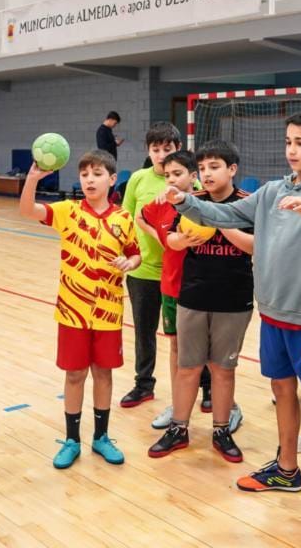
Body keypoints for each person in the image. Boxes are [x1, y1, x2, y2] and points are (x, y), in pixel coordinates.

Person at [183, 110, 301, 535]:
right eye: (289, 142)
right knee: (281, 389)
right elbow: (224, 216)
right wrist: (184, 201)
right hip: (272, 313)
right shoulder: (272, 190)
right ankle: (287, 468)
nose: (293, 150)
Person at [19, 150, 140, 469]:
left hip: (109, 311)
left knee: (103, 372)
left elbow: (135, 253)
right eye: (85, 174)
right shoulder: (68, 211)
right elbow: (28, 210)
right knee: (75, 374)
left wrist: (130, 262)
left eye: (97, 174)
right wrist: (32, 179)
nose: (89, 179)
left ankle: (101, 436)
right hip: (72, 311)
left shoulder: (123, 218)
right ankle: (72, 440)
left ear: (112, 180)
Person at [148, 140, 253, 465]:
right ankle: (179, 428)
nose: (207, 174)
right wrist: (178, 239)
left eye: (214, 167)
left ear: (232, 170)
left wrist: (218, 220)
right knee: (187, 367)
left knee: (223, 369)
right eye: (203, 168)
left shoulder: (248, 204)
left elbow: (255, 247)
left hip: (234, 300)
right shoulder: (190, 202)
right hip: (192, 295)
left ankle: (221, 429)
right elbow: (173, 239)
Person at [120, 122, 182, 408]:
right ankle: (143, 384)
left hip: (180, 273)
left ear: (178, 149)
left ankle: (204, 387)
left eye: (166, 149)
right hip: (143, 270)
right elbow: (124, 219)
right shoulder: (138, 179)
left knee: (186, 337)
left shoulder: (188, 182)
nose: (160, 155)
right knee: (144, 332)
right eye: (155, 150)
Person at [139, 151, 201, 430]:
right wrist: (161, 237)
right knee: (176, 347)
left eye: (178, 174)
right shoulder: (160, 204)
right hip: (172, 286)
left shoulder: (204, 202)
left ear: (193, 176)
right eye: (167, 175)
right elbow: (141, 218)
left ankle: (227, 406)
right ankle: (178, 405)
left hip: (203, 288)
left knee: (210, 354)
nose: (172, 179)